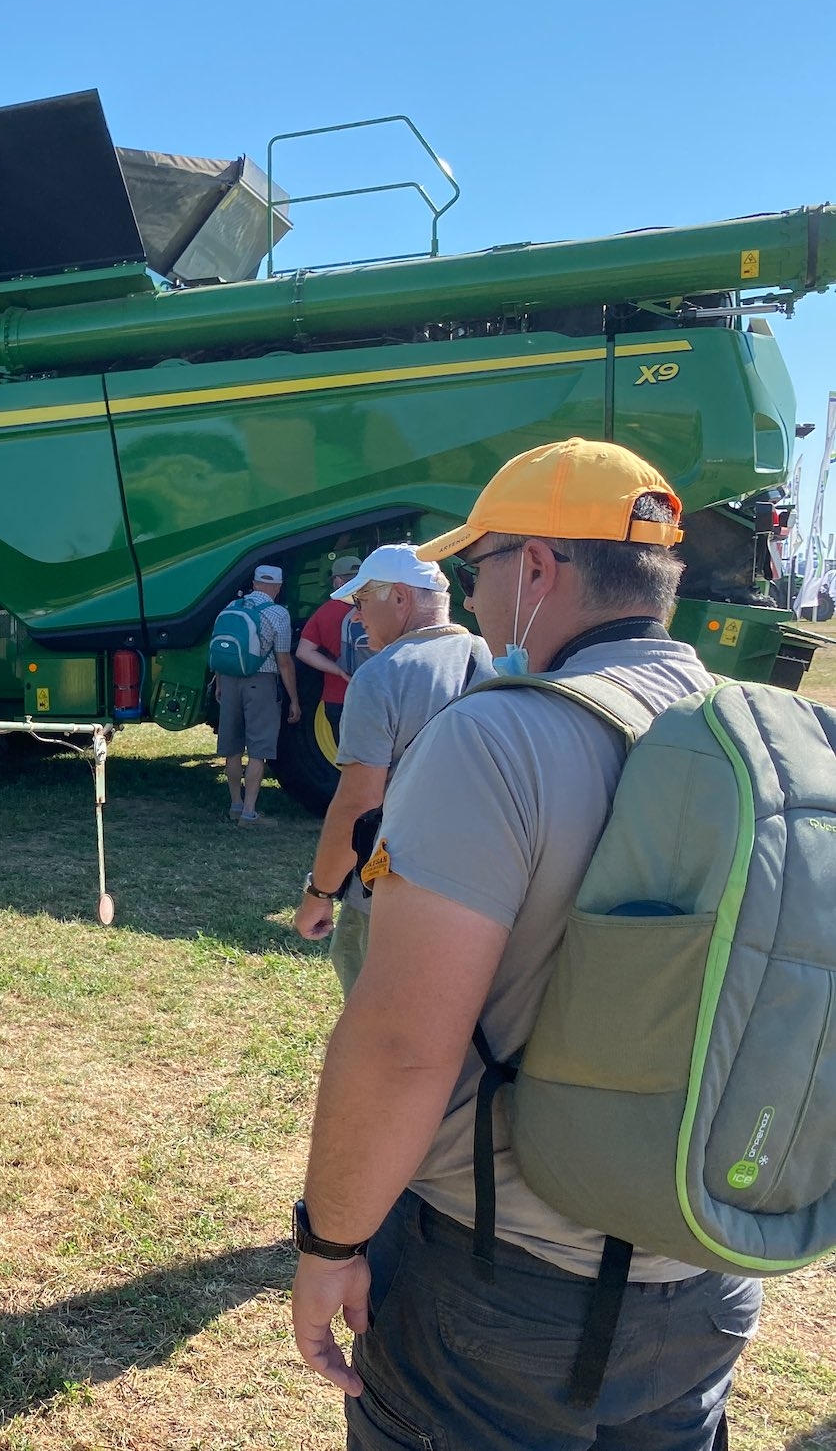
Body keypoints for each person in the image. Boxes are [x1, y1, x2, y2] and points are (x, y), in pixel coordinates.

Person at [288, 438, 758, 1450]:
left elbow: (402, 1043)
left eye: (477, 567)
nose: (475, 593)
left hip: (496, 1292)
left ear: (536, 568)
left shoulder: (496, 736)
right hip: (706, 1275)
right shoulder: (759, 740)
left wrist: (328, 1241)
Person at [291, 544, 491, 992]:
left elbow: (359, 803)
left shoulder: (382, 673)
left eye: (361, 603)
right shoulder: (496, 659)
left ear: (400, 597)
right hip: (483, 891)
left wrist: (320, 894)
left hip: (392, 893)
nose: (357, 617)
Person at [215, 563, 300, 823]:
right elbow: (283, 660)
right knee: (258, 749)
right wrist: (294, 699)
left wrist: (219, 683)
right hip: (260, 683)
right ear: (277, 587)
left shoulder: (231, 608)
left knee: (232, 747)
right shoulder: (277, 614)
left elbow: (222, 651)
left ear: (253, 583)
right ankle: (250, 811)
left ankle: (235, 804)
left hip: (229, 680)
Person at [295, 554, 371, 741]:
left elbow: (303, 652)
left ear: (337, 580)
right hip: (373, 696)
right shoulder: (379, 606)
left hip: (337, 697)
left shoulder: (325, 612)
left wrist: (339, 671)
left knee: (347, 763)